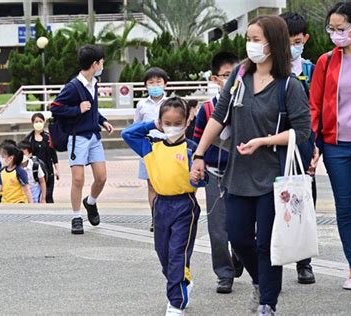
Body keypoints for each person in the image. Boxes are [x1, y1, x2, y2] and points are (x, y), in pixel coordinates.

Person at [190, 16, 310, 315]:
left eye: (256, 39)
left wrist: (264, 141)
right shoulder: (240, 77)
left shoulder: (289, 86)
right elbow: (219, 116)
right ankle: (261, 280)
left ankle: (267, 302)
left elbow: (302, 131)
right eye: (249, 39)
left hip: (273, 177)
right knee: (238, 235)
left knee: (267, 244)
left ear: (273, 42)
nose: (250, 45)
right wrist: (199, 154)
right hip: (238, 174)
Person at [122, 97, 202, 316]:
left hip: (185, 205)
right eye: (167, 122)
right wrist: (152, 125)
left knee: (177, 253)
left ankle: (176, 302)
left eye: (178, 123)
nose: (172, 127)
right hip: (160, 205)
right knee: (163, 253)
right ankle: (182, 280)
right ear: (160, 121)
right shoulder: (151, 146)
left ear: (187, 122)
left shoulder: (193, 149)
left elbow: (201, 180)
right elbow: (127, 134)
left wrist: (197, 177)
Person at [309, 1, 351, 290]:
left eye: (341, 29)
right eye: (331, 29)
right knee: (344, 208)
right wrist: (313, 143)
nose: (335, 34)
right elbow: (314, 105)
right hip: (336, 146)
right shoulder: (326, 62)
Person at [192, 51, 244, 294]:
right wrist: (198, 162)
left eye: (237, 73)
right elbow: (197, 142)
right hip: (215, 172)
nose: (233, 79)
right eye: (227, 75)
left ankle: (241, 255)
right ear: (215, 79)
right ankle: (224, 274)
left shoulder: (248, 103)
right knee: (218, 225)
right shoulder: (207, 109)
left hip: (245, 172)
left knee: (245, 223)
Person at [50, 44, 114, 234]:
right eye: (101, 62)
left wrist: (102, 121)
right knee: (78, 179)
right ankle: (76, 216)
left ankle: (90, 202)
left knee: (101, 177)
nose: (103, 65)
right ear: (95, 64)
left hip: (93, 136)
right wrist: (77, 109)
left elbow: (92, 108)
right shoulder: (72, 87)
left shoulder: (94, 82)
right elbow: (55, 107)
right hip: (77, 138)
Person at [280, 11, 317, 285]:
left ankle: (304, 262)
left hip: (304, 142)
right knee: (268, 198)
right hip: (273, 142)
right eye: (285, 40)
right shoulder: (267, 71)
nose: (291, 46)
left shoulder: (310, 70)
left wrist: (316, 146)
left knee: (303, 198)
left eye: (295, 40)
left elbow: (318, 110)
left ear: (304, 39)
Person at [133, 67, 168, 231]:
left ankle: (166, 216)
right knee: (152, 185)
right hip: (148, 146)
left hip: (167, 147)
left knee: (166, 184)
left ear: (165, 84)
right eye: (151, 82)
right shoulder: (141, 105)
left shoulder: (171, 103)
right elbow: (136, 127)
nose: (155, 85)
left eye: (158, 82)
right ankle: (155, 218)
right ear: (145, 85)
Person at [24, 113, 60, 203]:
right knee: (37, 196)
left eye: (40, 121)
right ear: (32, 123)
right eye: (36, 121)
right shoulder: (29, 139)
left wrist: (57, 170)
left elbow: (54, 155)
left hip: (48, 171)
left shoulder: (48, 137)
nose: (38, 123)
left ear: (44, 122)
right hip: (35, 173)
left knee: (48, 196)